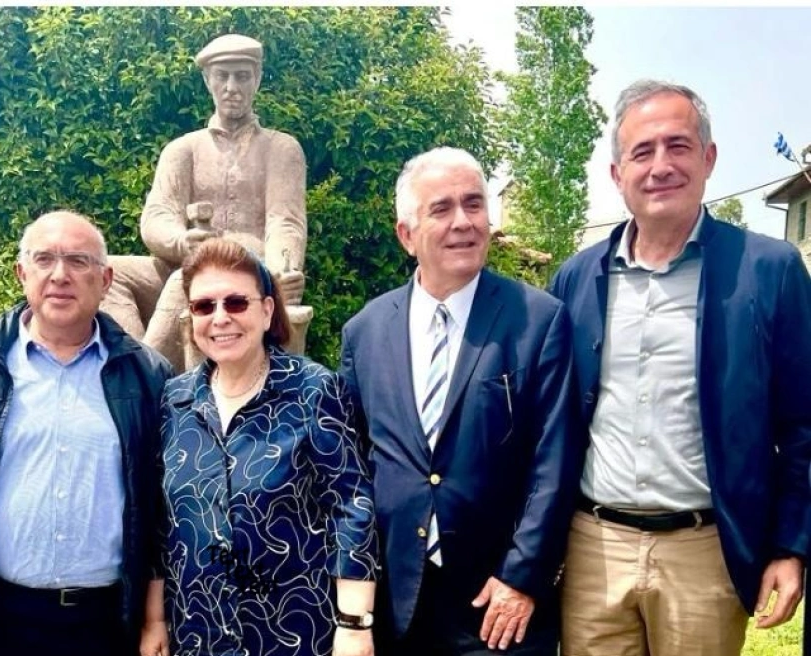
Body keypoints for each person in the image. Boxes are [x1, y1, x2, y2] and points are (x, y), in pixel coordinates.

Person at [549, 79, 811, 656]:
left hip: (706, 552)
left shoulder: (768, 270)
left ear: (709, 158)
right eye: (642, 152)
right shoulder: (576, 279)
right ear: (617, 173)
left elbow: (803, 424)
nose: (660, 166)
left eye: (678, 146)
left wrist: (790, 546)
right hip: (594, 549)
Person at [339, 147, 583, 656]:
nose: (463, 222)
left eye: (474, 204)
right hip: (396, 605)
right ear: (407, 235)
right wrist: (356, 604)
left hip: (497, 607)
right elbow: (353, 474)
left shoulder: (538, 320)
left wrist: (521, 577)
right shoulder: (364, 332)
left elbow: (555, 463)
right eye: (441, 208)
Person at [0, 210, 173, 656]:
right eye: (44, 259)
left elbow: (159, 508)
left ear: (106, 279)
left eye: (78, 261)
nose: (60, 275)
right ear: (22, 274)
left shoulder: (148, 375)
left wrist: (155, 618)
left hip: (106, 622)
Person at [140, 238, 378, 656]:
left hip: (294, 631)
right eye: (204, 306)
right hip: (198, 633)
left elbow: (351, 506)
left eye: (236, 303)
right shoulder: (175, 400)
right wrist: (155, 619)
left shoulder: (314, 391)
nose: (220, 318)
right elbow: (163, 521)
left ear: (267, 310)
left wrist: (355, 625)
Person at [101, 33, 308, 368]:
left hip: (248, 268)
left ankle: (144, 378)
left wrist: (284, 268)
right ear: (207, 80)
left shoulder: (280, 149)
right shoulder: (184, 150)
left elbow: (285, 222)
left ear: (256, 79)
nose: (231, 87)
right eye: (222, 76)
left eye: (242, 76)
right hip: (184, 262)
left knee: (185, 281)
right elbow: (157, 216)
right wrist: (182, 241)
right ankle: (133, 360)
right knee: (105, 273)